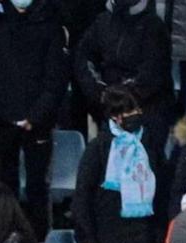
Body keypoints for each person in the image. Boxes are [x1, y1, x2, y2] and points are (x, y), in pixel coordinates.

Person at [0, 0, 69, 238]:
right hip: (2, 116)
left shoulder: (51, 25)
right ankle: (6, 233)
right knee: (3, 182)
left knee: (37, 185)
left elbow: (56, 79)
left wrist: (36, 115)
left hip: (37, 121)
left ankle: (38, 239)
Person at [74, 86, 163, 243]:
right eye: (129, 111)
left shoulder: (150, 144)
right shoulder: (99, 147)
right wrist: (86, 234)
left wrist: (158, 238)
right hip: (107, 235)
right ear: (116, 117)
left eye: (137, 109)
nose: (136, 115)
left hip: (141, 235)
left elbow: (162, 191)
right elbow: (83, 192)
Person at [73, 0, 174, 158]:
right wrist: (99, 92)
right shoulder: (102, 21)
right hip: (109, 110)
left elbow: (153, 70)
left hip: (147, 113)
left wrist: (122, 99)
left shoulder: (154, 26)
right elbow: (83, 56)